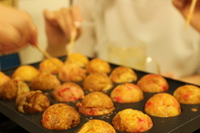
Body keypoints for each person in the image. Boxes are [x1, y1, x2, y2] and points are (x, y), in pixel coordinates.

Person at [43, 0, 200, 85]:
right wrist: (57, 45)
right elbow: (71, 69)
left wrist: (178, 84)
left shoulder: (193, 5)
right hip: (106, 90)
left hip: (183, 97)